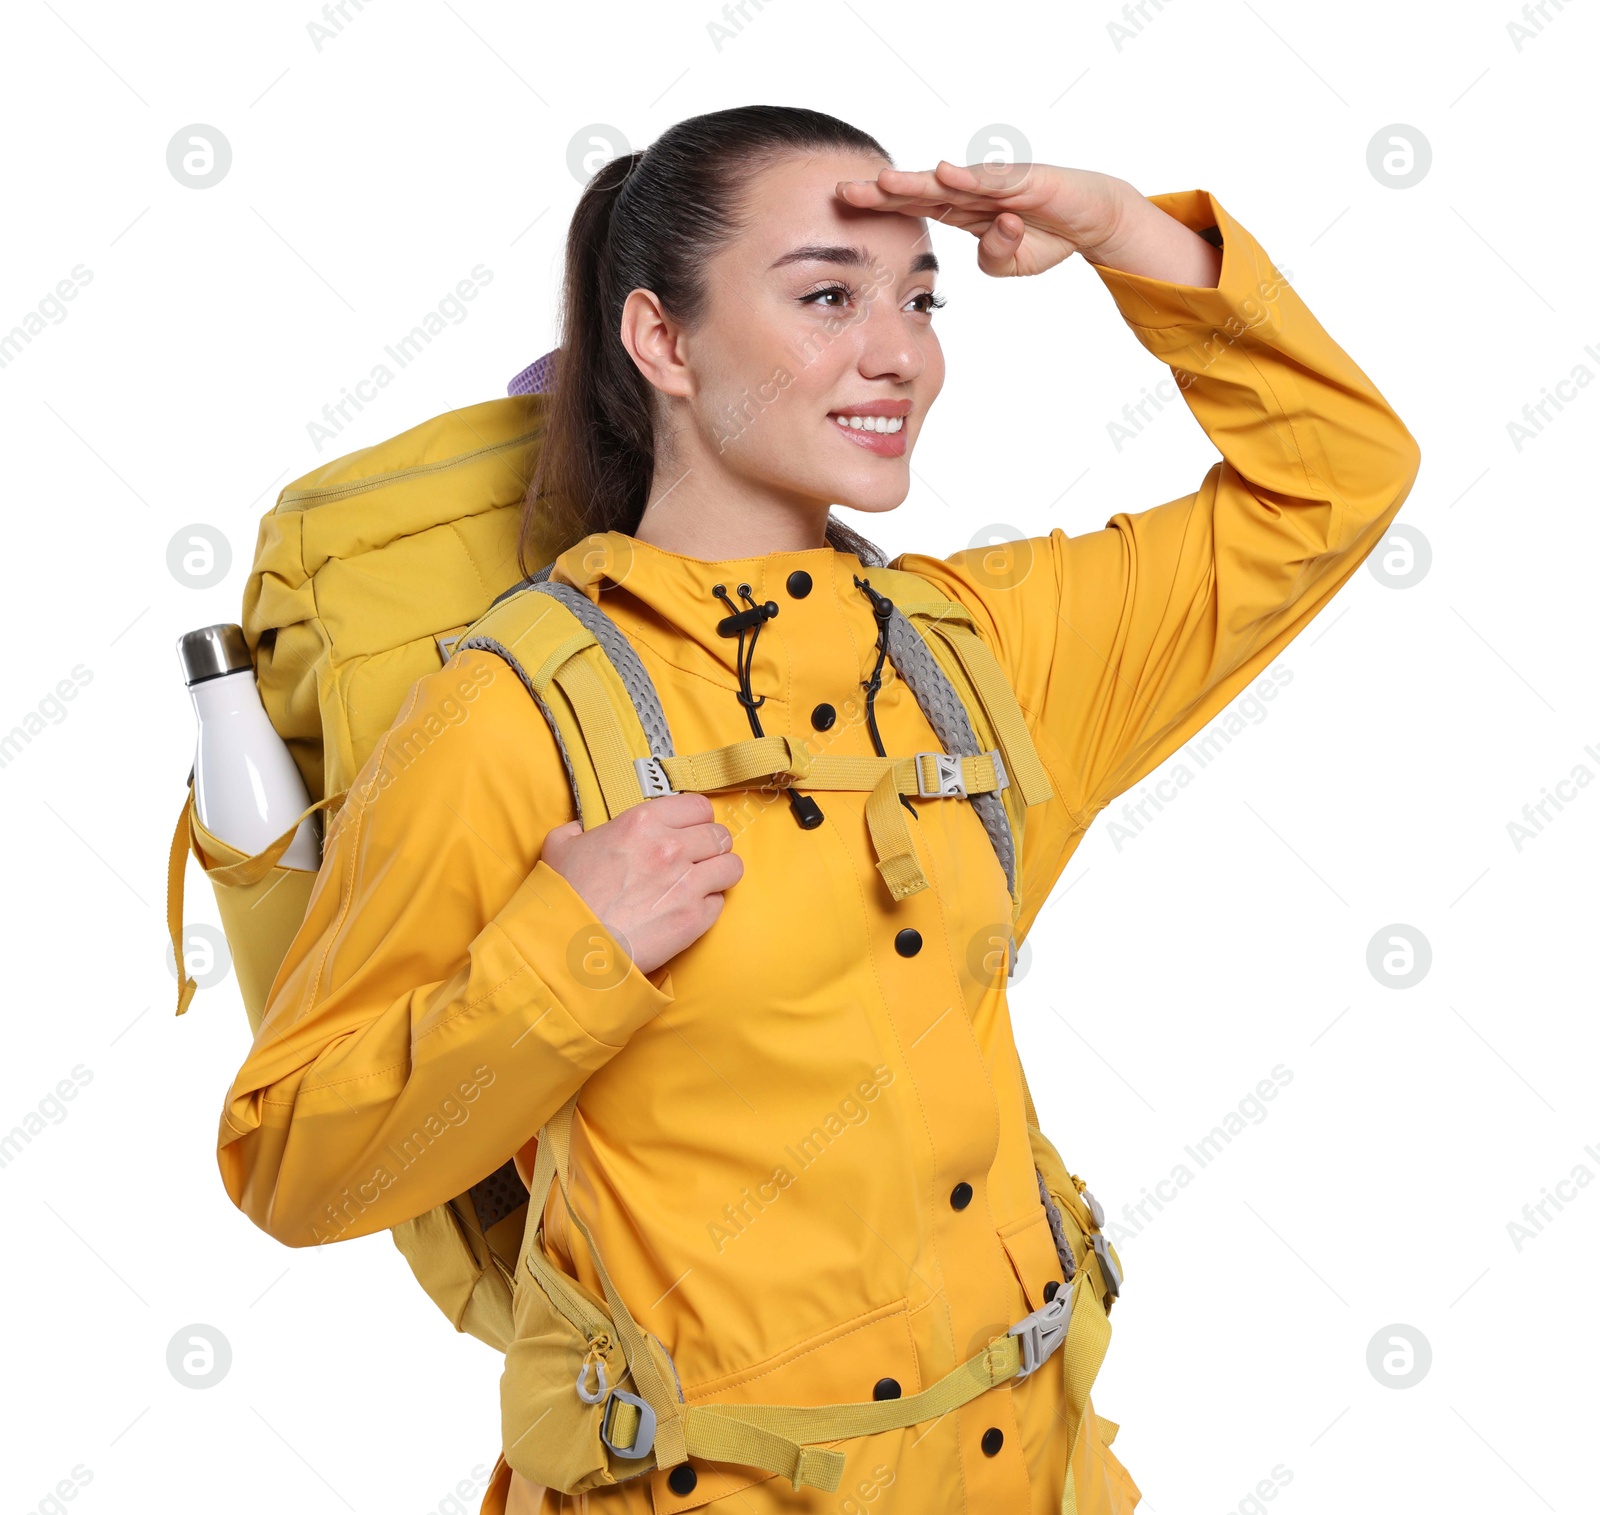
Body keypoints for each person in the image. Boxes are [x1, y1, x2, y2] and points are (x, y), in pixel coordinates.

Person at [216, 105, 1421, 1515]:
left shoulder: (973, 652)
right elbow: (296, 1164)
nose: (898, 351)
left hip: (1036, 1475)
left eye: (921, 299)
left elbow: (1337, 479)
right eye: (827, 298)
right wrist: (569, 945)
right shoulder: (508, 715)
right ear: (662, 342)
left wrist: (1120, 232)